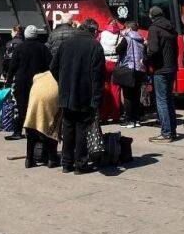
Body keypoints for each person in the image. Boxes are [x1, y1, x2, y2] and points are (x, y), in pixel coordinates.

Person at [51, 19, 105, 174]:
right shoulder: (95, 46)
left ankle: (66, 163)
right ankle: (80, 164)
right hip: (84, 95)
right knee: (82, 128)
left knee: (68, 128)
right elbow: (98, 76)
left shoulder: (66, 43)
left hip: (66, 94)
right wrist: (96, 99)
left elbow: (53, 67)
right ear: (93, 31)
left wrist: (62, 82)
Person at [6, 25, 51, 140]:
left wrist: (9, 80)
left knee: (21, 106)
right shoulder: (43, 48)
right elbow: (49, 65)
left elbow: (13, 66)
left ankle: (17, 131)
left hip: (22, 82)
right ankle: (36, 130)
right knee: (37, 106)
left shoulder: (20, 48)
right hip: (39, 81)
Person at [146, 6, 178, 142]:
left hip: (160, 69)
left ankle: (165, 133)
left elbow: (153, 49)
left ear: (151, 16)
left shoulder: (154, 28)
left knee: (161, 101)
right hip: (171, 68)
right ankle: (172, 131)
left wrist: (145, 59)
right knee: (169, 100)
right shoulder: (171, 28)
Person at [24, 70, 62, 168]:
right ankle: (52, 159)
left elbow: (35, 77)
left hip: (35, 95)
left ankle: (29, 159)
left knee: (32, 126)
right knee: (52, 123)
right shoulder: (63, 73)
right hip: (51, 95)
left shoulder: (41, 76)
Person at [116, 22, 146, 128]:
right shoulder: (141, 39)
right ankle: (136, 119)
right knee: (136, 95)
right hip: (140, 69)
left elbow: (118, 50)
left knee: (128, 96)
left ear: (128, 28)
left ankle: (128, 120)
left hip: (128, 69)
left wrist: (121, 38)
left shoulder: (126, 39)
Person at [97, 19, 123, 122]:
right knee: (116, 89)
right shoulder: (120, 35)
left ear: (107, 24)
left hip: (105, 63)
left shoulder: (101, 34)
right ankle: (116, 115)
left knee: (105, 89)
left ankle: (104, 115)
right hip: (116, 63)